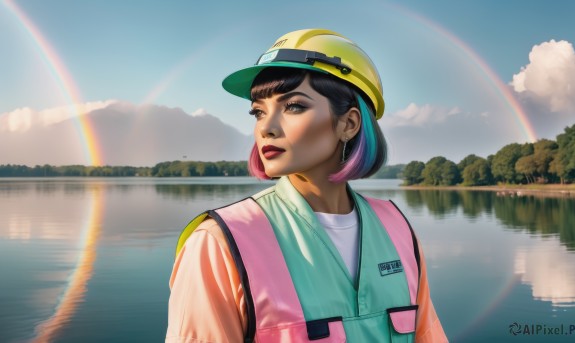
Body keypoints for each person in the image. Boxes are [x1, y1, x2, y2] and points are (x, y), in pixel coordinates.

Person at [166, 28, 448, 343]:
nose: (266, 129)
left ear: (349, 123)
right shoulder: (217, 243)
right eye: (259, 112)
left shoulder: (397, 227)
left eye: (294, 106)